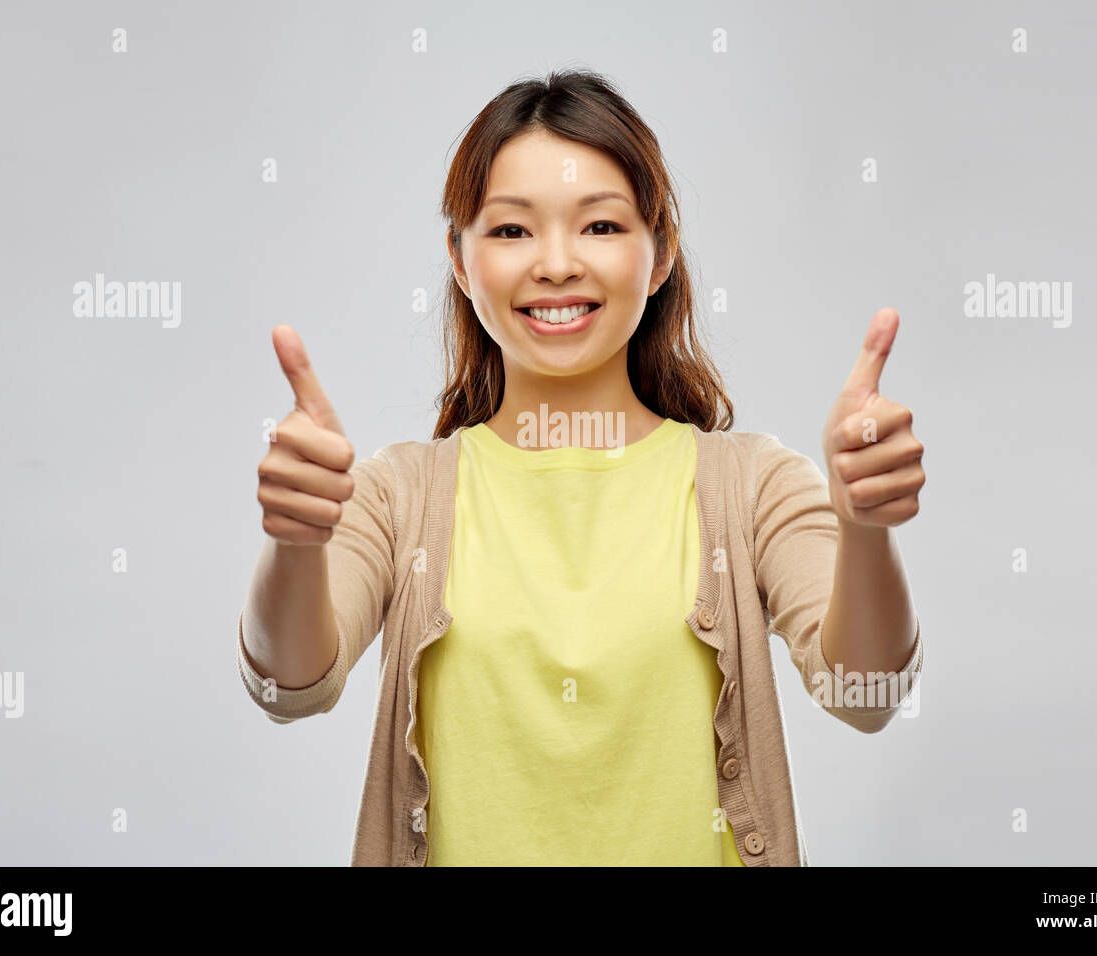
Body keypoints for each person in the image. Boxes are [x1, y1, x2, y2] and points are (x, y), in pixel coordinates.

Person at [238, 69, 926, 866]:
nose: (557, 264)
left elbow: (866, 695)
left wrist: (866, 529)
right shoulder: (398, 494)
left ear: (661, 252)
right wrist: (293, 540)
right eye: (511, 231)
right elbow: (287, 689)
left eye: (600, 227)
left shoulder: (751, 487)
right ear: (460, 262)